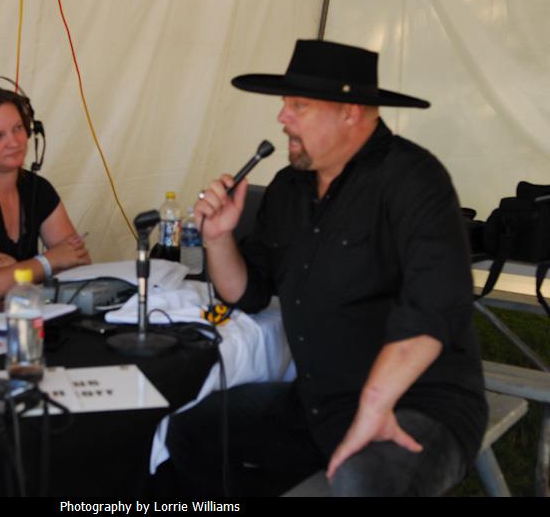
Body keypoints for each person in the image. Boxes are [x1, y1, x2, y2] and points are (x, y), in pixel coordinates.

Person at [165, 40, 487, 496]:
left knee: (362, 481)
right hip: (321, 405)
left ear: (350, 112)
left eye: (299, 105)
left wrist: (375, 404)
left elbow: (436, 306)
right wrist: (218, 238)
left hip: (418, 404)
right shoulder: (288, 187)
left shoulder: (413, 178)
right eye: (285, 103)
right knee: (191, 432)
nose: (282, 117)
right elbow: (248, 293)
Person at [0, 78, 90, 300]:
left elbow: (80, 263)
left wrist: (19, 269)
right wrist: (48, 261)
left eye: (18, 128)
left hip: (27, 312)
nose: (14, 142)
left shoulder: (38, 188)